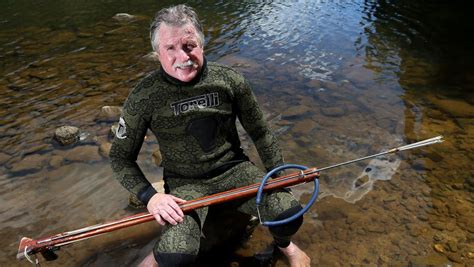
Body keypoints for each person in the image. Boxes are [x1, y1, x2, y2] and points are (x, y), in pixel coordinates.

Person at [110, 4, 311, 267]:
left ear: (202, 45)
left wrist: (277, 176)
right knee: (175, 256)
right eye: (170, 48)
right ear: (157, 52)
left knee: (288, 213)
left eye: (189, 45)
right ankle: (155, 257)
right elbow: (120, 157)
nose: (182, 57)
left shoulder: (229, 80)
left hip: (235, 172)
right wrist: (152, 197)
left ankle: (285, 246)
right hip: (185, 185)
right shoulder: (144, 96)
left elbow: (260, 132)